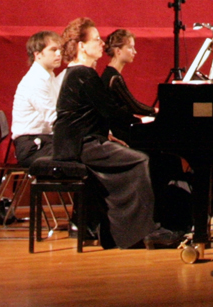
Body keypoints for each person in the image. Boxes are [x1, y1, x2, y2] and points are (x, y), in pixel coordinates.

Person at [50, 18, 182, 248]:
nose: (102, 43)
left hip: (81, 142)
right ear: (82, 46)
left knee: (133, 156)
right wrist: (142, 121)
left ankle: (121, 230)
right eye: (96, 39)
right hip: (80, 146)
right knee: (140, 160)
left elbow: (91, 115)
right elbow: (111, 112)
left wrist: (108, 135)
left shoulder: (79, 73)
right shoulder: (83, 74)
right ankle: (145, 232)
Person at [9, 29, 69, 197]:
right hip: (32, 147)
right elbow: (55, 119)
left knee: (87, 150)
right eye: (53, 50)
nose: (59, 54)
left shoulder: (49, 77)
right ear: (37, 54)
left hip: (43, 141)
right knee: (84, 154)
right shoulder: (35, 81)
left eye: (60, 49)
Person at [102, 29, 158, 127]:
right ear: (118, 51)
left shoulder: (109, 73)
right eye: (130, 48)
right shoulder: (114, 78)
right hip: (118, 129)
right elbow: (134, 106)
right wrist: (155, 110)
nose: (135, 52)